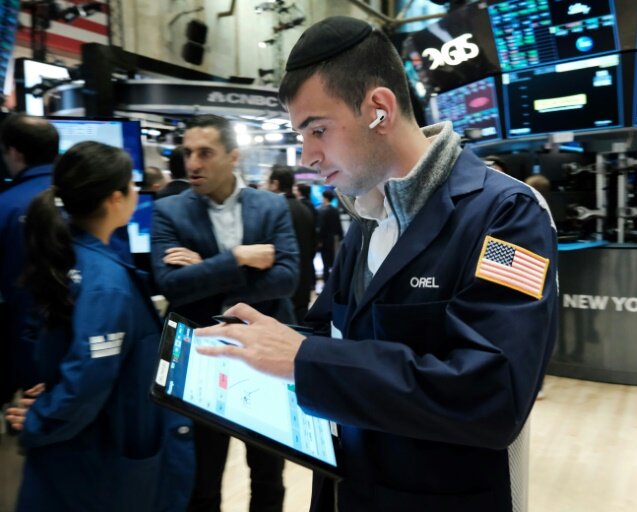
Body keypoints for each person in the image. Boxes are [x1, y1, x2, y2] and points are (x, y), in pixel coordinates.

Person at [194, 17, 558, 512]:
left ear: (379, 110)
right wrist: (255, 350)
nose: (308, 157)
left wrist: (304, 359)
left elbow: (492, 395)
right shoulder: (370, 215)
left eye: (317, 130)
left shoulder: (504, 215)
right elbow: (332, 333)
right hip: (349, 487)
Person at [4, 141, 194, 511]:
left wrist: (50, 393)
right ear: (114, 198)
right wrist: (41, 418)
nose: (137, 193)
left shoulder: (70, 256)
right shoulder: (106, 283)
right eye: (132, 185)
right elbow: (85, 382)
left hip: (83, 452)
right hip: (95, 464)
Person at [150, 114, 299, 512]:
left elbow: (287, 278)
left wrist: (206, 268)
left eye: (205, 153)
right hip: (201, 357)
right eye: (187, 153)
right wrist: (235, 259)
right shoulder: (168, 211)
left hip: (266, 356)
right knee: (203, 477)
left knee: (268, 473)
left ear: (233, 157)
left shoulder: (270, 206)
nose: (192, 164)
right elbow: (171, 285)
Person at [0, 114, 59, 405]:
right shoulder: (87, 200)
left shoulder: (5, 206)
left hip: (24, 351)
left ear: (14, 152)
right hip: (85, 350)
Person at [268, 165, 317, 324]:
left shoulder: (273, 210)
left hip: (280, 290)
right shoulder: (305, 209)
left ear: (275, 184)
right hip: (303, 283)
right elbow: (313, 246)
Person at [316, 189, 343, 284]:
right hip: (334, 240)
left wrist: (318, 240)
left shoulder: (321, 211)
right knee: (333, 262)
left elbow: (320, 228)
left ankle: (326, 282)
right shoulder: (335, 210)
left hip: (324, 240)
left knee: (325, 263)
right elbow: (339, 227)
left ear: (325, 198)